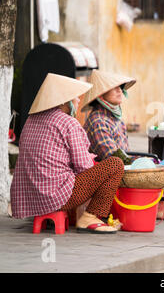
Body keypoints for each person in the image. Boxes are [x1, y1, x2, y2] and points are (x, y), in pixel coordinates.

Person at [10, 73, 125, 234]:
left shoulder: (30, 121)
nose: (78, 101)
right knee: (115, 164)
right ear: (64, 100)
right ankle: (90, 217)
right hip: (57, 195)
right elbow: (84, 166)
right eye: (75, 97)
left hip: (31, 198)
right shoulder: (68, 123)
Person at [81, 69, 136, 162]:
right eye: (114, 87)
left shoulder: (117, 119)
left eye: (120, 86)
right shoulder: (98, 121)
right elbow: (114, 159)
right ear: (101, 95)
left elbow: (126, 155)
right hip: (107, 175)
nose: (119, 90)